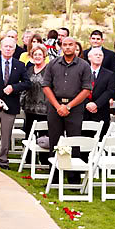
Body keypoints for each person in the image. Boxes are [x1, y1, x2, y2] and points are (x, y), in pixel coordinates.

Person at [42, 36, 92, 179]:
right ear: (61, 46)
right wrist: (58, 106)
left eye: (71, 44)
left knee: (74, 142)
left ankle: (73, 178)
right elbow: (46, 86)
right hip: (55, 105)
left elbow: (86, 89)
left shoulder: (84, 66)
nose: (68, 47)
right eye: (65, 45)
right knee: (55, 141)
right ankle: (55, 177)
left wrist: (68, 106)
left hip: (75, 107)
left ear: (76, 46)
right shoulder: (52, 64)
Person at [0, 36, 30, 170]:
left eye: (11, 47)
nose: (8, 49)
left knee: (6, 133)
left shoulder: (20, 65)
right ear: (1, 48)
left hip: (10, 104)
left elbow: (27, 83)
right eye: (5, 46)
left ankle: (3, 160)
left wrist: (14, 87)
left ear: (14, 49)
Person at [21, 45, 50, 139]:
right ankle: (28, 154)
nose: (37, 56)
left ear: (44, 56)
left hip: (44, 109)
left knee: (43, 137)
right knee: (29, 135)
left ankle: (44, 154)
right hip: (29, 108)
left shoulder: (49, 70)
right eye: (35, 54)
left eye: (40, 54)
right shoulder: (29, 70)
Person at [85, 48, 115, 136]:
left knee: (101, 142)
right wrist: (87, 104)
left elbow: (110, 91)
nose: (98, 56)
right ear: (89, 57)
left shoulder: (109, 74)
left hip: (101, 113)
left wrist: (96, 104)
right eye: (96, 55)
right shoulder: (82, 72)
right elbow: (77, 90)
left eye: (101, 55)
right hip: (84, 113)